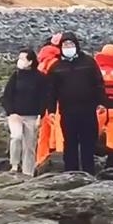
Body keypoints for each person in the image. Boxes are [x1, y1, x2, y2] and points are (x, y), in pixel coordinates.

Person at [47, 33, 106, 173]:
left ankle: (89, 172)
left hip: (88, 110)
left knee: (88, 143)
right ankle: (70, 172)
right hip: (67, 111)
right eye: (65, 45)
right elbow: (51, 91)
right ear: (60, 47)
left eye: (71, 44)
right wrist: (50, 110)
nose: (68, 47)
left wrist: (101, 102)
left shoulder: (89, 62)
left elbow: (99, 83)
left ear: (76, 45)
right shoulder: (56, 66)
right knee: (70, 143)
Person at [2, 49, 50, 175]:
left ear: (30, 61)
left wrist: (41, 115)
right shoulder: (16, 76)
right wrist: (11, 112)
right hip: (15, 115)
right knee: (16, 137)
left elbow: (43, 98)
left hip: (32, 116)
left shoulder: (40, 78)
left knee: (29, 146)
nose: (20, 61)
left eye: (23, 59)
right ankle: (14, 165)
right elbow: (7, 96)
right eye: (19, 58)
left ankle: (27, 172)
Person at [36, 35, 64, 166]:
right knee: (58, 131)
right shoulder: (56, 63)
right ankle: (59, 158)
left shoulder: (41, 62)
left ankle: (41, 160)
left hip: (42, 101)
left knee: (44, 134)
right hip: (56, 101)